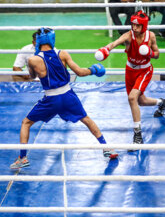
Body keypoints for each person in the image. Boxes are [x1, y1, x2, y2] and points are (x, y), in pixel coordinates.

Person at [10, 28, 118, 169]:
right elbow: (80, 72)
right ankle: (107, 148)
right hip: (68, 95)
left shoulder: (33, 60)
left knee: (26, 123)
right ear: (51, 39)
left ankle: (23, 158)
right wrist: (93, 70)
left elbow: (31, 77)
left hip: (50, 99)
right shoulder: (63, 54)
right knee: (86, 119)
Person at [95, 10, 165, 147]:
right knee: (140, 101)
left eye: (137, 26)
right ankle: (162, 102)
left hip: (145, 70)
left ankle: (137, 134)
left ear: (144, 26)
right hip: (130, 71)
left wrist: (149, 53)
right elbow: (115, 43)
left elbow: (157, 54)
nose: (134, 28)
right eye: (133, 25)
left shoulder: (151, 36)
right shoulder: (128, 36)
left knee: (132, 98)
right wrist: (106, 49)